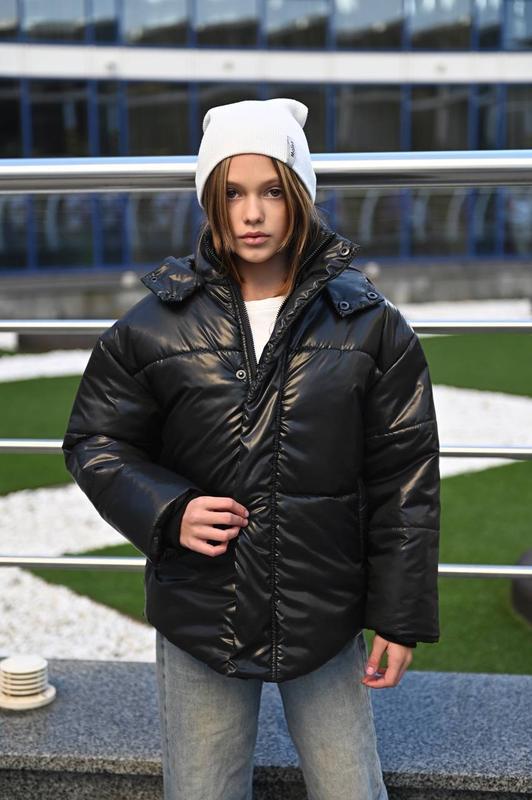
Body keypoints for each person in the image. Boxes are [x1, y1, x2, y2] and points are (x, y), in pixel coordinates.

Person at [62, 97, 440, 800]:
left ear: (300, 194)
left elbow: (405, 477)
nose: (252, 213)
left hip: (326, 605)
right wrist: (169, 510)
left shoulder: (369, 326)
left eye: (272, 191)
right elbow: (96, 439)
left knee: (351, 787)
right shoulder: (155, 325)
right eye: (232, 193)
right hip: (200, 607)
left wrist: (399, 614)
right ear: (211, 200)